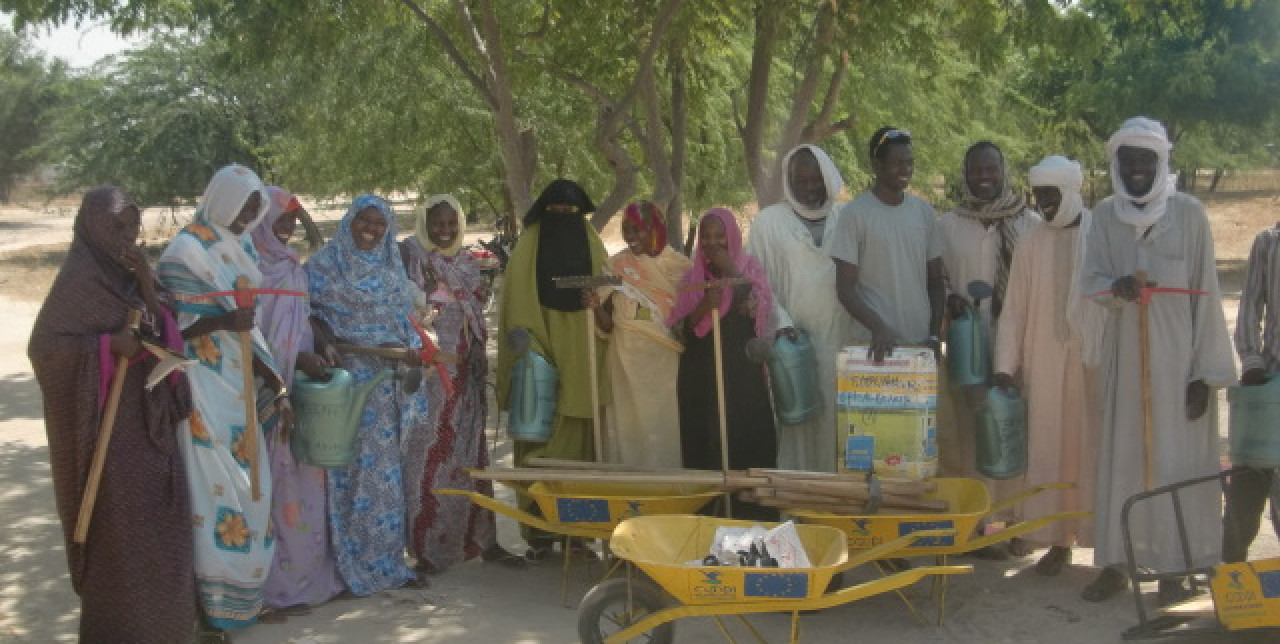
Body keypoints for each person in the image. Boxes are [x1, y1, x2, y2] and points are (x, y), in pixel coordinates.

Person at [29, 186, 196, 643]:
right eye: (117, 227)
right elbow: (46, 350)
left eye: (133, 226)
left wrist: (145, 282)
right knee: (121, 540)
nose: (127, 236)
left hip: (153, 425)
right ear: (95, 228)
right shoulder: (79, 280)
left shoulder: (138, 273)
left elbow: (169, 326)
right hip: (109, 433)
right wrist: (105, 347)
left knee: (169, 533)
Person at [1081, 116, 1236, 604]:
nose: (1136, 170)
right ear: (1117, 164)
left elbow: (1207, 296)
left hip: (1180, 368)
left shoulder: (1190, 215)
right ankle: (1115, 562)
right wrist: (1116, 288)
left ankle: (1177, 565)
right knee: (1123, 459)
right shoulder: (1105, 216)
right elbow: (1090, 282)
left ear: (1161, 160)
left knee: (1178, 462)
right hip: (1126, 364)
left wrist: (1205, 375)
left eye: (1145, 160)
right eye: (1127, 161)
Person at [157, 164, 285, 640]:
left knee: (253, 490)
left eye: (258, 207)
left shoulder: (244, 246)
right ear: (223, 199)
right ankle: (209, 609)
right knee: (213, 496)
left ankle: (244, 600)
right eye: (246, 205)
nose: (251, 215)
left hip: (240, 386)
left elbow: (251, 323)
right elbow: (169, 332)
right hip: (203, 386)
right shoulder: (185, 251)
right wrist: (224, 324)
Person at [306, 194, 427, 594]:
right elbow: (308, 316)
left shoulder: (392, 266)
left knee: (384, 475)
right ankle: (347, 562)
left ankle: (384, 561)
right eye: (365, 221)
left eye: (380, 224)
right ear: (348, 221)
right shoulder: (323, 266)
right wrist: (326, 341)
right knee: (346, 473)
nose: (372, 231)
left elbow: (402, 318)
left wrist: (411, 349)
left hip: (386, 386)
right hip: (346, 384)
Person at [991, 156, 1106, 576]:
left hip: (1089, 365)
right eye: (1039, 197)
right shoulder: (1032, 240)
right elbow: (1015, 310)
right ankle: (1057, 542)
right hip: (1042, 363)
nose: (1044, 205)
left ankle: (1098, 539)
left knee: (1087, 449)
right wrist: (1006, 366)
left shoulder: (1100, 234)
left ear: (1070, 193)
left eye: (1051, 197)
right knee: (1049, 448)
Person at [400, 194, 525, 571]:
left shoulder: (470, 263)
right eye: (437, 223)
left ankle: (484, 541)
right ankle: (430, 550)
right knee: (432, 458)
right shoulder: (414, 259)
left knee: (472, 458)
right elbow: (410, 312)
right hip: (433, 377)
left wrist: (476, 355)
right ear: (425, 223)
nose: (444, 230)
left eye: (451, 223)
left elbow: (474, 313)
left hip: (467, 375)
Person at [937, 141, 1041, 558]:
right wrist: (949, 299)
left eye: (991, 169)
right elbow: (938, 276)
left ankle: (1019, 524)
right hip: (968, 345)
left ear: (1004, 171)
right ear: (965, 174)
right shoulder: (948, 225)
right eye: (976, 170)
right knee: (971, 432)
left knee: (1015, 426)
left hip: (1017, 342)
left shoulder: (1030, 224)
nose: (984, 177)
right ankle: (976, 524)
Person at [495, 179, 609, 557]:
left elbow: (608, 296)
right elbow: (517, 305)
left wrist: (598, 303)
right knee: (538, 441)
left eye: (571, 214)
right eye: (556, 213)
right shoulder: (529, 245)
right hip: (540, 352)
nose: (564, 220)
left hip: (582, 351)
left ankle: (576, 533)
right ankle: (540, 533)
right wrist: (534, 352)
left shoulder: (591, 242)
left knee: (579, 447)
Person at [249, 186, 346, 610]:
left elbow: (304, 319)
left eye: (293, 221)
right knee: (268, 486)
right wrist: (287, 367)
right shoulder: (246, 269)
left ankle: (305, 578)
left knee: (304, 484)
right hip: (265, 395)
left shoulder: (293, 269)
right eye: (280, 220)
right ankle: (270, 586)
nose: (287, 229)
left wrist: (318, 344)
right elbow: (252, 338)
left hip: (301, 392)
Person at [746, 144, 855, 472]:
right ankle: (797, 512)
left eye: (815, 179)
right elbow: (755, 281)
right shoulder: (769, 223)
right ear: (787, 181)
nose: (808, 187)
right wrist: (781, 323)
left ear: (828, 177)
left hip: (844, 343)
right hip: (791, 347)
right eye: (799, 180)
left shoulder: (847, 218)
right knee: (797, 430)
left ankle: (840, 511)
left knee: (843, 425)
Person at [671, 208, 778, 521]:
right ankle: (708, 525)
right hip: (701, 376)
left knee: (746, 442)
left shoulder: (749, 268)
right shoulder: (692, 278)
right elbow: (680, 330)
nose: (712, 243)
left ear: (732, 237)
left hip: (741, 376)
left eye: (720, 237)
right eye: (705, 237)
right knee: (706, 445)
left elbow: (758, 309)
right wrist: (706, 303)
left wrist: (732, 273)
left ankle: (750, 525)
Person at [584, 200, 692, 467]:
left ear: (655, 228)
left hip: (664, 363)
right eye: (626, 230)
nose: (631, 237)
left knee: (662, 426)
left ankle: (665, 490)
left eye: (638, 229)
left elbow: (690, 320)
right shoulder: (616, 266)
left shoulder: (679, 267)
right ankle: (629, 489)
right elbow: (608, 325)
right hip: (623, 360)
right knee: (626, 429)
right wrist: (596, 308)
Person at [830, 126, 946, 362]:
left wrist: (934, 334)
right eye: (897, 163)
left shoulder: (924, 212)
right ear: (876, 165)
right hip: (874, 347)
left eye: (909, 163)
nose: (905, 170)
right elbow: (845, 289)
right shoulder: (854, 214)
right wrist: (878, 327)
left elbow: (936, 281)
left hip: (918, 345)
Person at [1225, 220, 1280, 564]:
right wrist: (1251, 361)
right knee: (1246, 494)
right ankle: (1231, 585)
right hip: (1268, 387)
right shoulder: (1268, 243)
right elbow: (1249, 307)